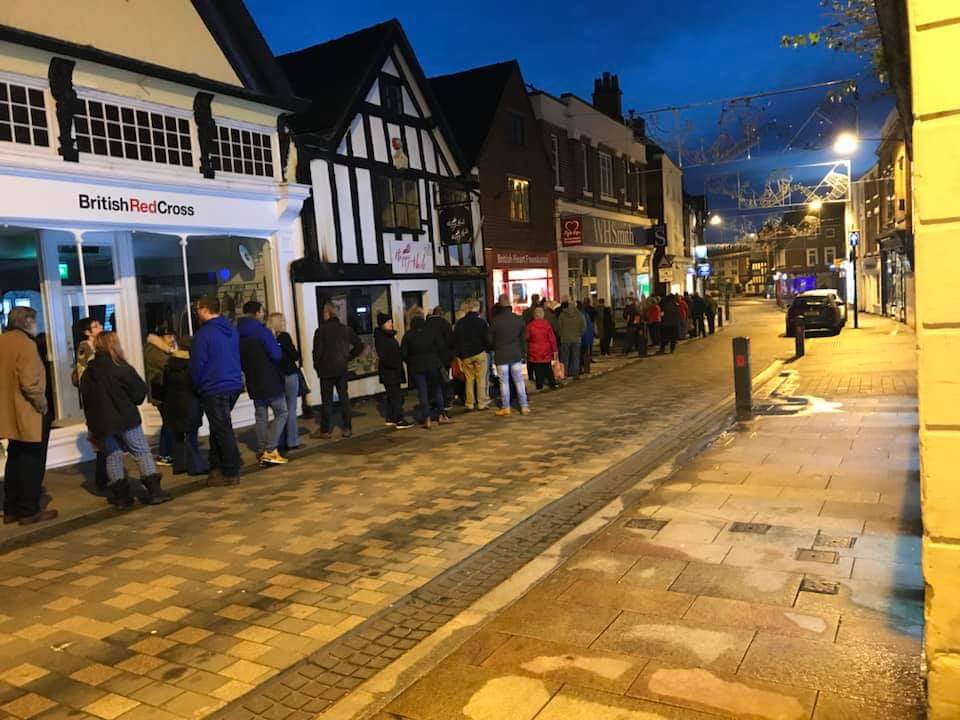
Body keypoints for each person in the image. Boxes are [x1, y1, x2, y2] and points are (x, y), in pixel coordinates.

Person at [81, 332, 170, 507]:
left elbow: (86, 401)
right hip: (125, 419)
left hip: (101, 424)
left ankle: (121, 496)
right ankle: (154, 491)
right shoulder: (120, 367)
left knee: (112, 456)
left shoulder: (88, 373)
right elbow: (138, 393)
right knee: (141, 452)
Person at [0, 307, 57, 525]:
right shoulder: (26, 345)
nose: (37, 325)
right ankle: (28, 510)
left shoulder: (3, 341)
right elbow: (30, 382)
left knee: (14, 458)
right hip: (28, 412)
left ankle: (11, 508)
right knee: (32, 461)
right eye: (35, 321)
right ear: (27, 322)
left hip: (9, 412)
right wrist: (42, 406)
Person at [191, 295, 244, 486]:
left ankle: (230, 469)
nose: (196, 312)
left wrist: (197, 385)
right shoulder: (231, 329)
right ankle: (216, 466)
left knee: (222, 428)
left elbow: (197, 364)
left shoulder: (203, 335)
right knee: (218, 426)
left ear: (205, 309)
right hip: (232, 383)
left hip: (214, 386)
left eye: (197, 308)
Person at [238, 302, 288, 466]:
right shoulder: (262, 332)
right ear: (258, 313)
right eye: (262, 312)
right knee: (282, 412)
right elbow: (276, 355)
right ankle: (271, 449)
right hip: (270, 380)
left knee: (261, 416)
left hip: (253, 381)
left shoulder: (237, 332)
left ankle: (261, 450)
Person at [312, 302, 364, 439]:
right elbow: (359, 345)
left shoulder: (320, 331)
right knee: (344, 398)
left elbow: (316, 353)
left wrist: (317, 367)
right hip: (341, 368)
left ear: (328, 313)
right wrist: (348, 357)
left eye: (324, 312)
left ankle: (325, 430)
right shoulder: (346, 329)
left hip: (326, 370)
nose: (323, 315)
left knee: (327, 401)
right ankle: (347, 428)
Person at [160, 339, 207, 476]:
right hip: (190, 404)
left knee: (178, 437)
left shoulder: (169, 365)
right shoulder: (192, 365)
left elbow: (165, 385)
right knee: (192, 437)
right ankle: (196, 466)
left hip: (172, 405)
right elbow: (197, 385)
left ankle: (179, 466)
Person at [74, 317, 109, 490]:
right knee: (100, 437)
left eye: (99, 324)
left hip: (103, 397)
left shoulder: (101, 344)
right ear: (87, 332)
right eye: (96, 326)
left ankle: (107, 475)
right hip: (95, 400)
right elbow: (84, 374)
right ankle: (102, 478)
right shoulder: (85, 347)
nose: (100, 327)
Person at [401, 309, 452, 429]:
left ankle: (427, 418)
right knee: (437, 389)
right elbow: (441, 347)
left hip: (417, 367)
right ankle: (441, 415)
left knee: (422, 392)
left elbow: (403, 354)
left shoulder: (408, 335)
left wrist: (411, 362)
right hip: (433, 364)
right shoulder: (432, 331)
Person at [267, 313, 303, 451]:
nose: (284, 322)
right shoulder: (285, 337)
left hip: (277, 377)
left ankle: (280, 439)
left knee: (280, 411)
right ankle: (292, 441)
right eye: (282, 320)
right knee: (291, 408)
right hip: (290, 375)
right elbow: (294, 355)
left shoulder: (269, 339)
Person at [143, 325, 177, 466]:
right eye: (169, 336)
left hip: (168, 391)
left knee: (171, 421)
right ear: (160, 337)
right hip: (161, 392)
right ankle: (164, 453)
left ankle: (170, 451)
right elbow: (168, 365)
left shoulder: (168, 349)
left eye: (173, 336)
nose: (172, 339)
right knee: (169, 422)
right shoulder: (154, 350)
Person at [488, 299, 528, 416]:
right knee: (519, 380)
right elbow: (523, 338)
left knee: (504, 382)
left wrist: (495, 346)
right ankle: (524, 405)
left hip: (501, 354)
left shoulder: (495, 321)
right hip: (515, 353)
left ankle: (506, 407)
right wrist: (523, 352)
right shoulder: (518, 319)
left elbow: (490, 340)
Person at [374, 313, 413, 429]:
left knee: (393, 396)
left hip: (392, 371)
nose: (391, 324)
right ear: (382, 325)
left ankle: (391, 417)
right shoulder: (382, 338)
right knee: (396, 396)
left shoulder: (388, 336)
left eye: (391, 322)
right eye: (388, 322)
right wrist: (395, 363)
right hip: (390, 372)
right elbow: (385, 356)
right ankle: (399, 419)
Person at [453, 298, 490, 411]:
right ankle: (481, 403)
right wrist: (487, 349)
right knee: (481, 379)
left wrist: (459, 355)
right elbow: (487, 338)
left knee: (469, 380)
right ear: (477, 308)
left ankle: (469, 403)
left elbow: (456, 340)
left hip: (466, 355)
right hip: (479, 353)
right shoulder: (482, 322)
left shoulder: (460, 323)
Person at [425, 306, 455, 410]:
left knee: (431, 381)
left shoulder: (426, 324)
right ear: (442, 314)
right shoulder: (445, 324)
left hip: (430, 358)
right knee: (444, 379)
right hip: (444, 357)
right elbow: (451, 341)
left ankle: (433, 401)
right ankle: (445, 401)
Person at [524, 307, 558, 390]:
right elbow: (552, 339)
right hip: (546, 350)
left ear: (534, 315)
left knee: (537, 369)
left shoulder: (530, 325)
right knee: (548, 367)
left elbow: (526, 337)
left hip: (534, 351)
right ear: (543, 315)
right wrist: (555, 350)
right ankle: (552, 383)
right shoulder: (547, 325)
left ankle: (539, 385)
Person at [557, 298, 586, 378]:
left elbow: (559, 327)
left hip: (565, 339)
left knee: (564, 358)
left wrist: (561, 335)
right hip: (576, 339)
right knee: (575, 357)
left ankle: (564, 373)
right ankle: (575, 373)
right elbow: (583, 327)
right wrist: (579, 334)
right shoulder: (580, 315)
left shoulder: (562, 315)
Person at [580, 302, 595, 375]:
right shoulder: (585, 314)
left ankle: (584, 369)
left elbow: (583, 328)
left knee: (583, 355)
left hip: (583, 338)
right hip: (588, 337)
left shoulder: (581, 315)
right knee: (586, 354)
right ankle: (586, 369)